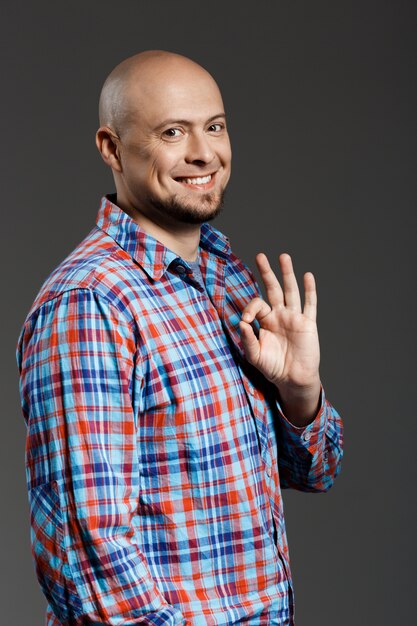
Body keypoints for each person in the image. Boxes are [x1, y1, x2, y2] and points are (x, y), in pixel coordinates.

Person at [16, 50, 343, 626]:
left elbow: (317, 472)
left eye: (215, 127)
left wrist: (300, 392)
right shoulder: (92, 302)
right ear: (112, 149)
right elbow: (90, 557)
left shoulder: (227, 279)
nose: (204, 153)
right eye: (173, 132)